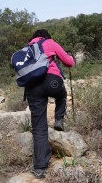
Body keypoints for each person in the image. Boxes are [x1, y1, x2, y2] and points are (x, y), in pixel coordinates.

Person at [26, 29, 75, 179]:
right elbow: (69, 62)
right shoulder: (50, 43)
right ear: (47, 35)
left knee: (39, 127)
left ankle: (40, 168)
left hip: (32, 86)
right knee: (62, 95)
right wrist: (71, 57)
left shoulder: (27, 48)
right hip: (52, 80)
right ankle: (59, 119)